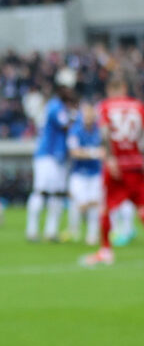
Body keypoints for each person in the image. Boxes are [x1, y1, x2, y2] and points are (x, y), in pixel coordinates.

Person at [80, 76, 144, 266]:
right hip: (137, 163)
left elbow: (105, 133)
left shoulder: (105, 106)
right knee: (142, 206)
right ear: (124, 87)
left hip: (117, 164)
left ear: (110, 89)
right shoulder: (138, 106)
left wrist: (110, 157)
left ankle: (106, 250)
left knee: (106, 207)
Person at [25, 85, 74, 242]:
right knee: (41, 191)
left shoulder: (62, 107)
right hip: (47, 155)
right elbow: (66, 125)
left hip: (59, 156)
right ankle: (32, 230)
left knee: (57, 193)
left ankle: (51, 231)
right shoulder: (55, 106)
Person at [65, 103, 104, 245]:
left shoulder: (99, 131)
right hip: (79, 174)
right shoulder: (75, 131)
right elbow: (74, 152)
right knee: (81, 204)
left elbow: (105, 150)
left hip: (95, 173)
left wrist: (88, 153)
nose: (88, 117)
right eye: (86, 114)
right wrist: (94, 153)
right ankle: (73, 229)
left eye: (90, 114)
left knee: (95, 204)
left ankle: (92, 235)